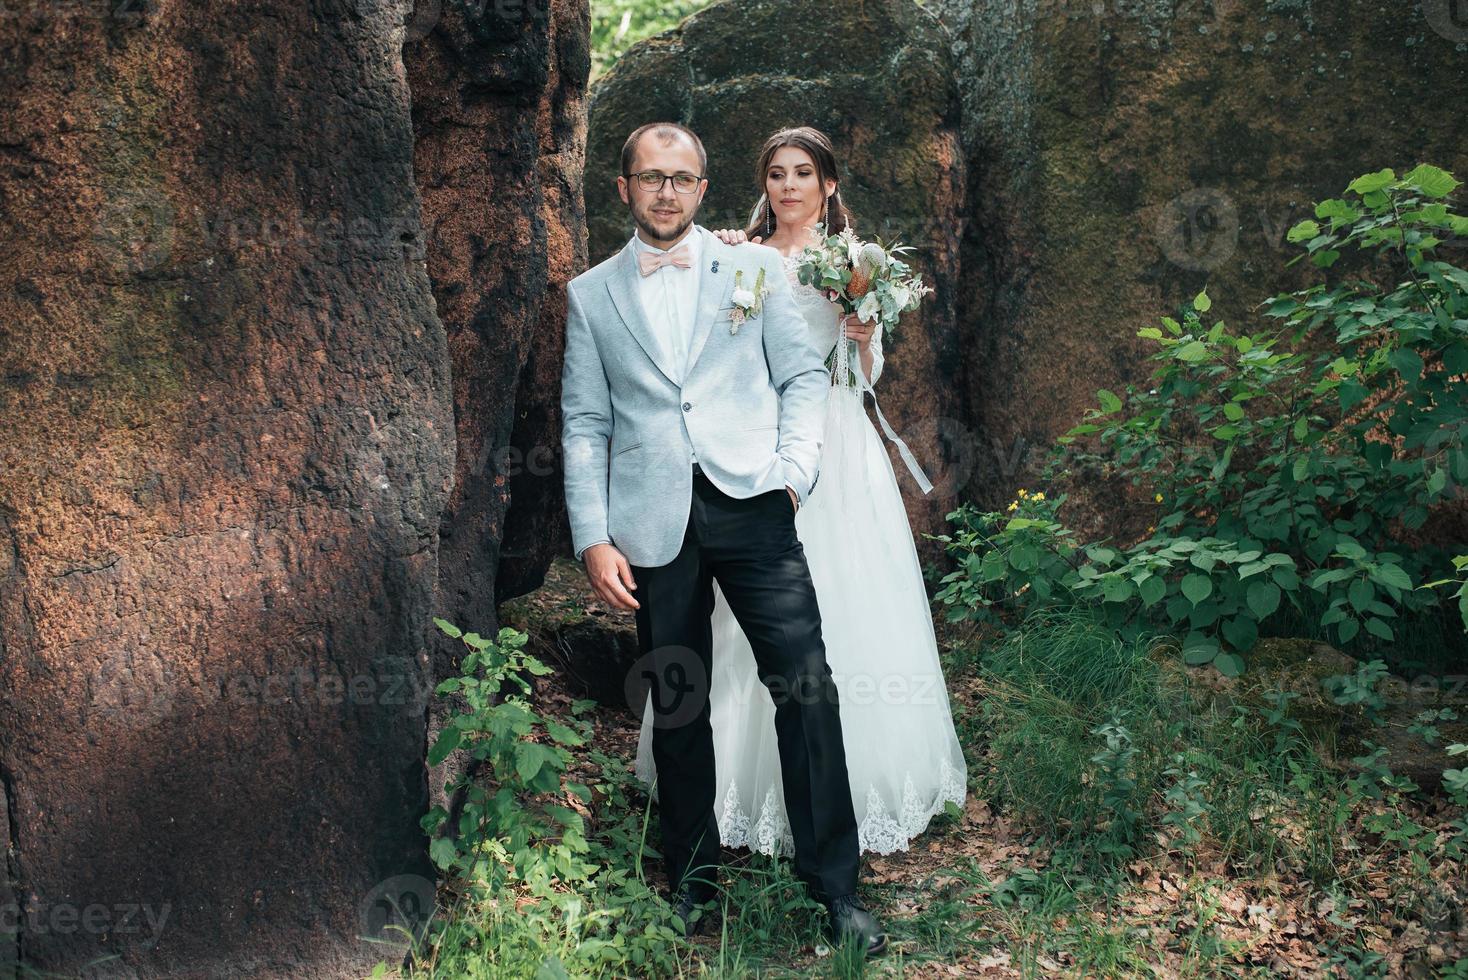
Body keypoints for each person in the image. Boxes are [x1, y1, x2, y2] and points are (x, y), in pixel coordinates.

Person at [559, 121, 886, 956]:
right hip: (650, 526)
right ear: (624, 187)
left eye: (682, 178)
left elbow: (804, 375)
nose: (666, 191)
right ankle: (693, 883)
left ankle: (836, 886)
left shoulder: (754, 267)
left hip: (753, 504)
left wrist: (794, 471)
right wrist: (593, 535)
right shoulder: (590, 295)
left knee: (805, 685)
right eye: (650, 177)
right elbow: (585, 422)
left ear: (704, 189)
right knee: (679, 702)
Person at [633, 126, 968, 863]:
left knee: (836, 617)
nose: (789, 186)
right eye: (777, 173)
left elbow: (864, 377)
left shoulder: (853, 263)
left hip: (835, 444)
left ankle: (847, 793)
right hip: (752, 447)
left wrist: (861, 330)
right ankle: (723, 793)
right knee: (732, 621)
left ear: (828, 186)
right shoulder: (740, 257)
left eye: (804, 173)